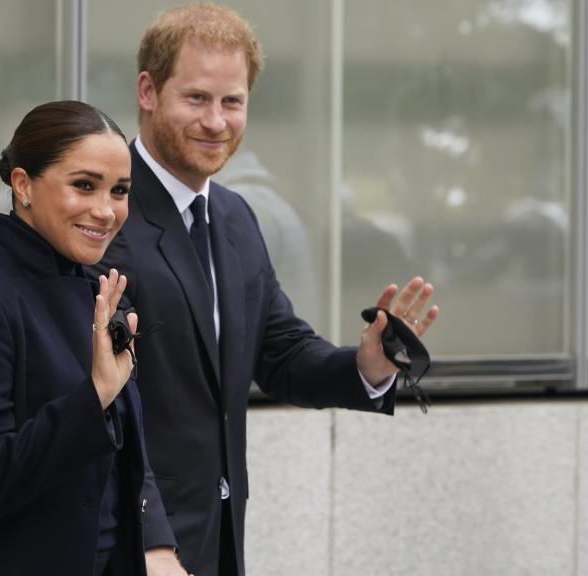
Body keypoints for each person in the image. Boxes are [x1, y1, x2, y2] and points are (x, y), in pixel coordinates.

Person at [90, 4, 440, 576]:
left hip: (219, 541)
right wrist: (151, 536)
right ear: (147, 91)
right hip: (131, 549)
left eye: (232, 101)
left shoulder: (235, 217)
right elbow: (97, 404)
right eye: (197, 98)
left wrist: (367, 365)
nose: (216, 121)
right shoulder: (104, 216)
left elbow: (280, 352)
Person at [0, 100, 159, 575]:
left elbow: (128, 468)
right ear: (23, 185)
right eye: (84, 185)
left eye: (119, 191)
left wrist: (159, 546)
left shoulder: (105, 295)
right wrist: (95, 395)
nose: (105, 210)